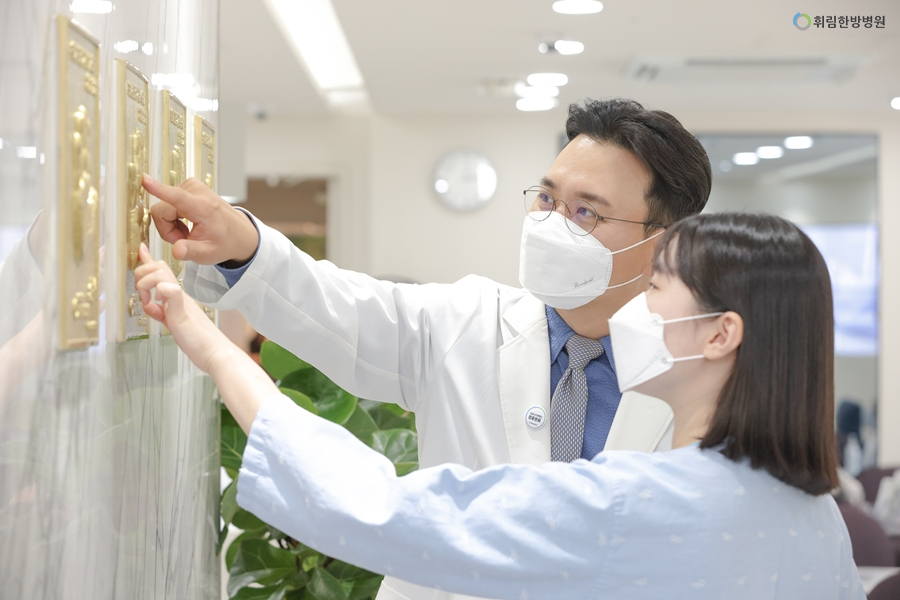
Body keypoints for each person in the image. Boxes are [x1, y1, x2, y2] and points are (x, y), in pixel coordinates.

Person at [144, 98, 712, 599]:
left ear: (662, 242)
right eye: (546, 198)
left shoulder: (706, 378)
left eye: (585, 211)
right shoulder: (466, 322)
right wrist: (242, 246)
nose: (550, 224)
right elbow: (337, 306)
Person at [134, 212, 864, 599]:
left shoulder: (637, 502)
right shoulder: (816, 519)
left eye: (654, 288)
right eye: (547, 200)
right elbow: (347, 310)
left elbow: (375, 509)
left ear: (719, 333)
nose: (633, 311)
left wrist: (217, 351)